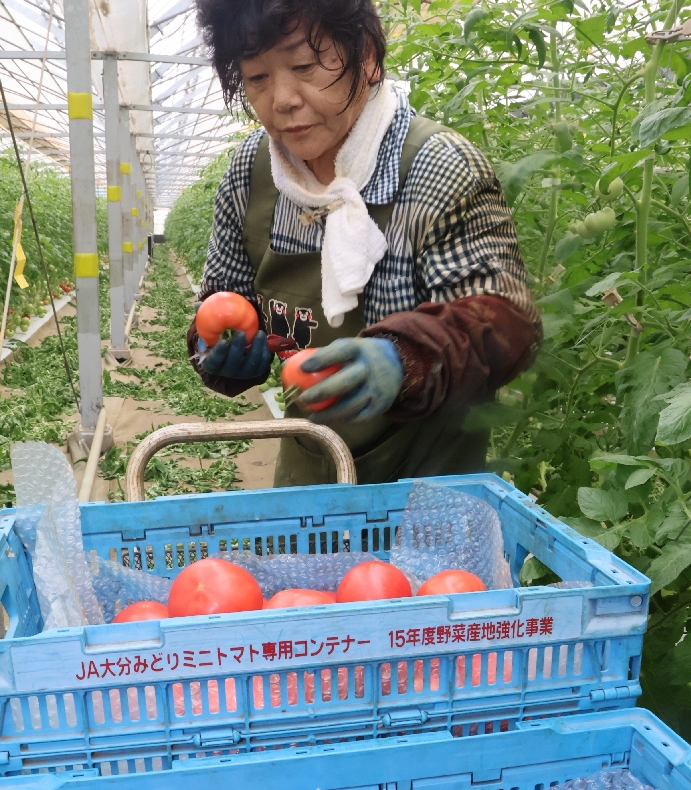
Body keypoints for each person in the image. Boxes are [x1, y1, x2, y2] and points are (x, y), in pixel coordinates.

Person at [187, 0, 541, 486]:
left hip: (426, 488)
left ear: (368, 55)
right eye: (256, 78)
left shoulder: (436, 167)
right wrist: (219, 351)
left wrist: (405, 358)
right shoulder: (253, 175)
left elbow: (506, 321)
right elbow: (224, 300)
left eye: (304, 65)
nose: (283, 99)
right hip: (312, 471)